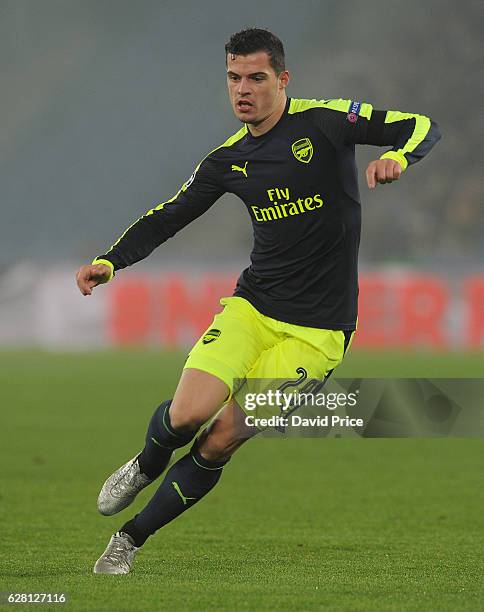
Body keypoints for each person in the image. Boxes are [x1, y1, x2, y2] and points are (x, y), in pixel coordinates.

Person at [76, 28, 441, 574]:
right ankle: (146, 463)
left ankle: (127, 542)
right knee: (187, 414)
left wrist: (400, 158)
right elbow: (171, 214)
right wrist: (112, 260)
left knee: (220, 439)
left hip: (316, 334)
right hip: (252, 309)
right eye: (233, 78)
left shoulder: (326, 121)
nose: (242, 89)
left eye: (256, 77)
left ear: (283, 80)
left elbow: (420, 126)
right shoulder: (228, 159)